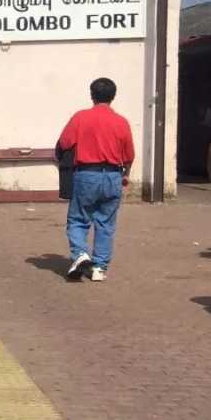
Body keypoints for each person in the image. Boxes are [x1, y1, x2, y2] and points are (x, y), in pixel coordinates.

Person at [56, 77, 134, 282]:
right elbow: (129, 155)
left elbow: (64, 142)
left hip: (87, 174)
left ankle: (80, 254)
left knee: (78, 219)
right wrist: (125, 174)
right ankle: (99, 267)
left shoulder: (81, 117)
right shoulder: (121, 122)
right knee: (106, 223)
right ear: (113, 96)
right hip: (113, 175)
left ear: (92, 95)